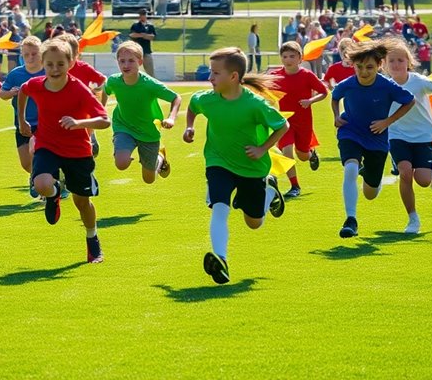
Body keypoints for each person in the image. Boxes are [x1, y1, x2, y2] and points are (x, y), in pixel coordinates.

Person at [184, 47, 288, 284]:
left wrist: (262, 149)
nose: (210, 78)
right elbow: (192, 106)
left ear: (233, 77)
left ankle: (269, 191)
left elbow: (282, 126)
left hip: (252, 168)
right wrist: (189, 127)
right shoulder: (207, 99)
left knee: (254, 223)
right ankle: (221, 259)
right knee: (220, 207)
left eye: (215, 73)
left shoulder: (255, 104)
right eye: (210, 72)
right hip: (218, 161)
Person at [18, 39, 111, 263]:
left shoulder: (79, 90)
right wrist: (21, 121)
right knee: (41, 184)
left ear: (70, 63)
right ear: (43, 64)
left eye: (60, 64)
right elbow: (23, 91)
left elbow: (105, 120)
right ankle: (53, 193)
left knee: (82, 202)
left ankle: (92, 239)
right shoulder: (37, 85)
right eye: (49, 64)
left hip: (77, 151)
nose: (55, 69)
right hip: (47, 145)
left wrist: (79, 123)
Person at [331, 40, 415, 238]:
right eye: (359, 67)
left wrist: (387, 122)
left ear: (379, 66)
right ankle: (350, 220)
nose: (363, 72)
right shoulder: (348, 84)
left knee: (371, 193)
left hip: (377, 139)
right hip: (350, 131)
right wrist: (336, 116)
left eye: (369, 67)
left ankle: (366, 171)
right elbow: (335, 96)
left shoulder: (387, 85)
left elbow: (409, 101)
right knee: (350, 168)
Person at [383, 39, 432, 233]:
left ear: (408, 62)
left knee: (424, 181)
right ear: (384, 64)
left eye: (400, 60)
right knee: (405, 172)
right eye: (391, 60)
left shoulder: (419, 81)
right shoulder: (383, 85)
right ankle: (412, 219)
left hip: (423, 135)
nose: (396, 64)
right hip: (397, 135)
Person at [101, 41, 181, 185]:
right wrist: (101, 109)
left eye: (131, 61)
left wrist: (171, 118)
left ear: (140, 61)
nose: (126, 65)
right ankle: (127, 152)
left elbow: (176, 97)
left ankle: (160, 157)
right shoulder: (114, 81)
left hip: (148, 131)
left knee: (149, 179)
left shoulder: (150, 84)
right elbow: (105, 90)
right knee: (121, 163)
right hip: (123, 126)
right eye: (122, 61)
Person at [268, 41, 328, 198]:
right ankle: (294, 186)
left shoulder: (307, 75)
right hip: (284, 122)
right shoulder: (275, 75)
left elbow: (323, 92)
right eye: (285, 56)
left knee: (302, 155)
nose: (288, 59)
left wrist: (310, 101)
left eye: (292, 56)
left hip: (303, 122)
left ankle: (311, 155)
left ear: (300, 58)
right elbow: (261, 89)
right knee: (287, 152)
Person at [0, 36, 49, 196]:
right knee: (26, 163)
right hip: (21, 123)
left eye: (34, 54)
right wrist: (11, 92)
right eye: (26, 54)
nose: (30, 57)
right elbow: (2, 94)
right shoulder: (16, 74)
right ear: (22, 54)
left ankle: (43, 184)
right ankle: (37, 177)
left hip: (44, 123)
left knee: (36, 151)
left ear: (41, 53)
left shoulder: (47, 71)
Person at [54, 32, 107, 157]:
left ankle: (91, 142)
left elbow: (103, 80)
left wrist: (95, 91)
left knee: (83, 147)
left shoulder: (83, 67)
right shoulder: (55, 69)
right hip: (61, 112)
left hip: (83, 114)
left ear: (76, 54)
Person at [130, 8, 157, 77]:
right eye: (141, 14)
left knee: (150, 71)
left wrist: (142, 35)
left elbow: (152, 36)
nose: (143, 16)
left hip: (146, 51)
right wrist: (142, 35)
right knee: (134, 70)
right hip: (136, 51)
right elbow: (132, 35)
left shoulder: (150, 26)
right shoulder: (135, 25)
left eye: (144, 14)